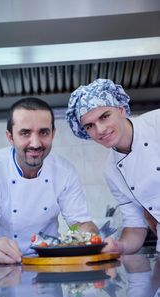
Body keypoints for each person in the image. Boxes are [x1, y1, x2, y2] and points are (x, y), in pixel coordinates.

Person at [0, 97, 98, 264]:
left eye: (43, 132)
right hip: (1, 267)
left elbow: (79, 224)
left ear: (53, 134)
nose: (36, 143)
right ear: (10, 137)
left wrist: (86, 234)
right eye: (25, 133)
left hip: (49, 265)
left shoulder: (65, 172)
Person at [65, 78, 160, 254]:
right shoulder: (111, 170)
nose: (100, 130)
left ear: (121, 109)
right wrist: (119, 246)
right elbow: (135, 227)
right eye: (90, 126)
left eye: (104, 116)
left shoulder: (157, 123)